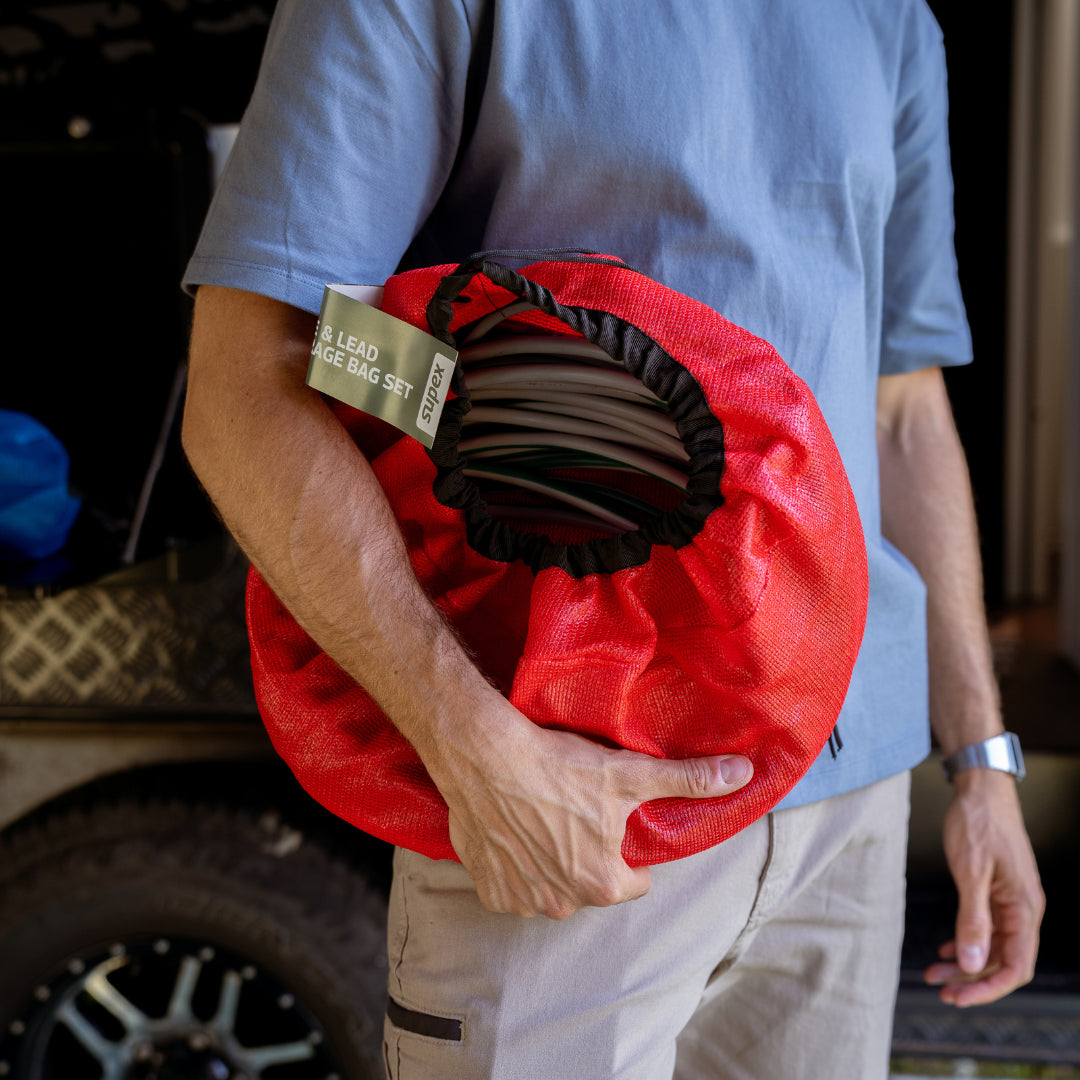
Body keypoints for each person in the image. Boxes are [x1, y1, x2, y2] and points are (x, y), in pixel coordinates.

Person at [181, 2, 1045, 1077]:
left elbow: (903, 406)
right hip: (573, 800)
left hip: (847, 803)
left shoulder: (892, 20)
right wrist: (481, 756)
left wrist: (981, 761)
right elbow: (256, 375)